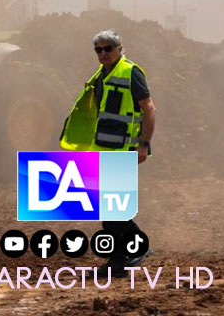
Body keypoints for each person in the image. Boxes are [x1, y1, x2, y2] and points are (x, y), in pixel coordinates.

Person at [59, 29, 156, 270]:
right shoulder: (101, 75)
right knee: (107, 207)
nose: (103, 53)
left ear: (119, 48)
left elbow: (149, 109)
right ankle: (122, 255)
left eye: (107, 49)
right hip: (102, 148)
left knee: (110, 207)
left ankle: (124, 254)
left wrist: (143, 145)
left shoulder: (131, 72)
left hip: (122, 149)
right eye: (98, 50)